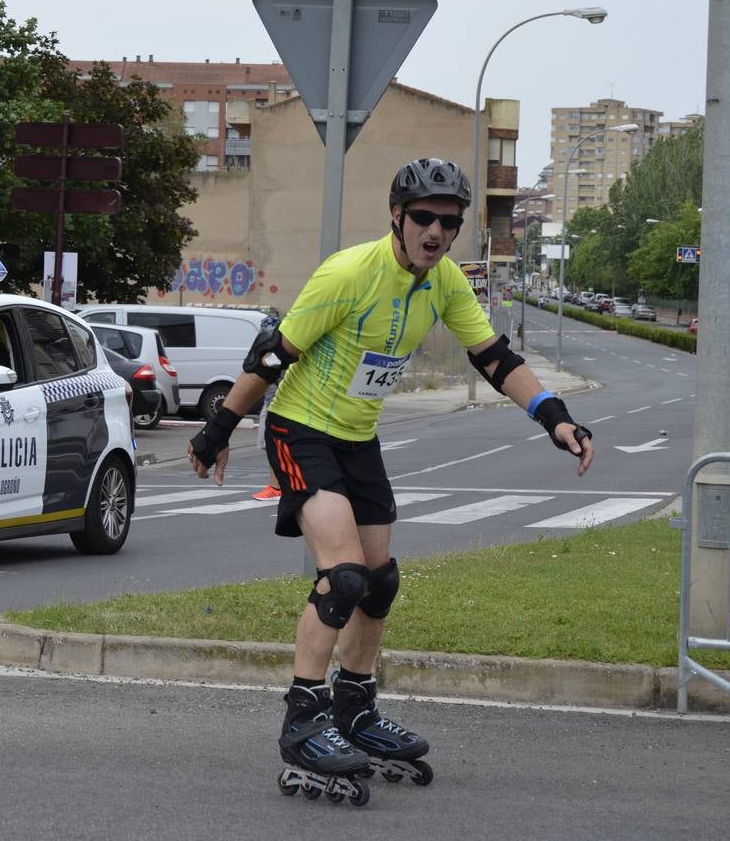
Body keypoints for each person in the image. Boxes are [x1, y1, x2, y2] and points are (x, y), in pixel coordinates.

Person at [187, 158, 595, 794]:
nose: (436, 232)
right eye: (424, 219)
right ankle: (303, 717)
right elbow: (271, 354)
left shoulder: (445, 282)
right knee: (344, 576)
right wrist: (217, 430)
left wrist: (556, 418)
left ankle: (354, 705)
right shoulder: (349, 273)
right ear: (398, 218)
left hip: (357, 437)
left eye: (449, 223)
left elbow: (494, 357)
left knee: (379, 582)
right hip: (300, 429)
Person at [252, 312, 282, 502]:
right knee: (272, 447)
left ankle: (275, 486)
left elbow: (266, 377)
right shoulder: (281, 350)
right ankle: (277, 485)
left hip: (274, 405)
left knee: (271, 446)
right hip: (272, 404)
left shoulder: (274, 354)